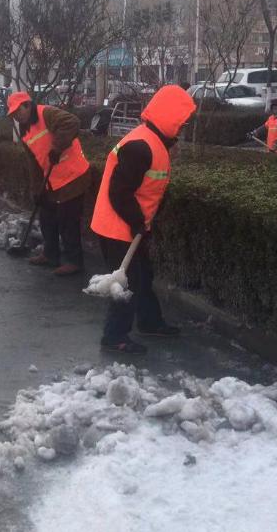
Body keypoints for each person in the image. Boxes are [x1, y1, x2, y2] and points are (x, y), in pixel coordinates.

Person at [90, 85, 196, 354]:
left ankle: (149, 321)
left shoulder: (153, 141)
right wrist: (138, 221)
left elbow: (147, 188)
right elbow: (119, 192)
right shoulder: (141, 145)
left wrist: (144, 222)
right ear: (169, 115)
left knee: (143, 275)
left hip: (132, 225)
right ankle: (115, 336)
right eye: (182, 120)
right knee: (125, 283)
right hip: (117, 227)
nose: (184, 126)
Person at [8, 91, 91, 276]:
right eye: (13, 113)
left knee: (67, 220)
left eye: (18, 111)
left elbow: (72, 122)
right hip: (53, 179)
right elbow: (34, 163)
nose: (16, 115)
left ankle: (75, 262)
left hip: (73, 175)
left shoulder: (47, 113)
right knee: (46, 215)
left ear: (28, 105)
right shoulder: (25, 130)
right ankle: (50, 254)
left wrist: (56, 147)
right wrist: (36, 189)